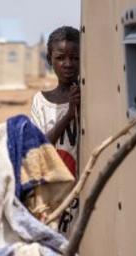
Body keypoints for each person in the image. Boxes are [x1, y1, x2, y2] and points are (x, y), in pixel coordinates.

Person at [30, 26, 81, 235]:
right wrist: (69, 115)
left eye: (75, 58)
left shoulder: (92, 98)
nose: (68, 64)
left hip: (81, 191)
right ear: (50, 60)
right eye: (60, 58)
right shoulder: (41, 102)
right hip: (52, 193)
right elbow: (39, 148)